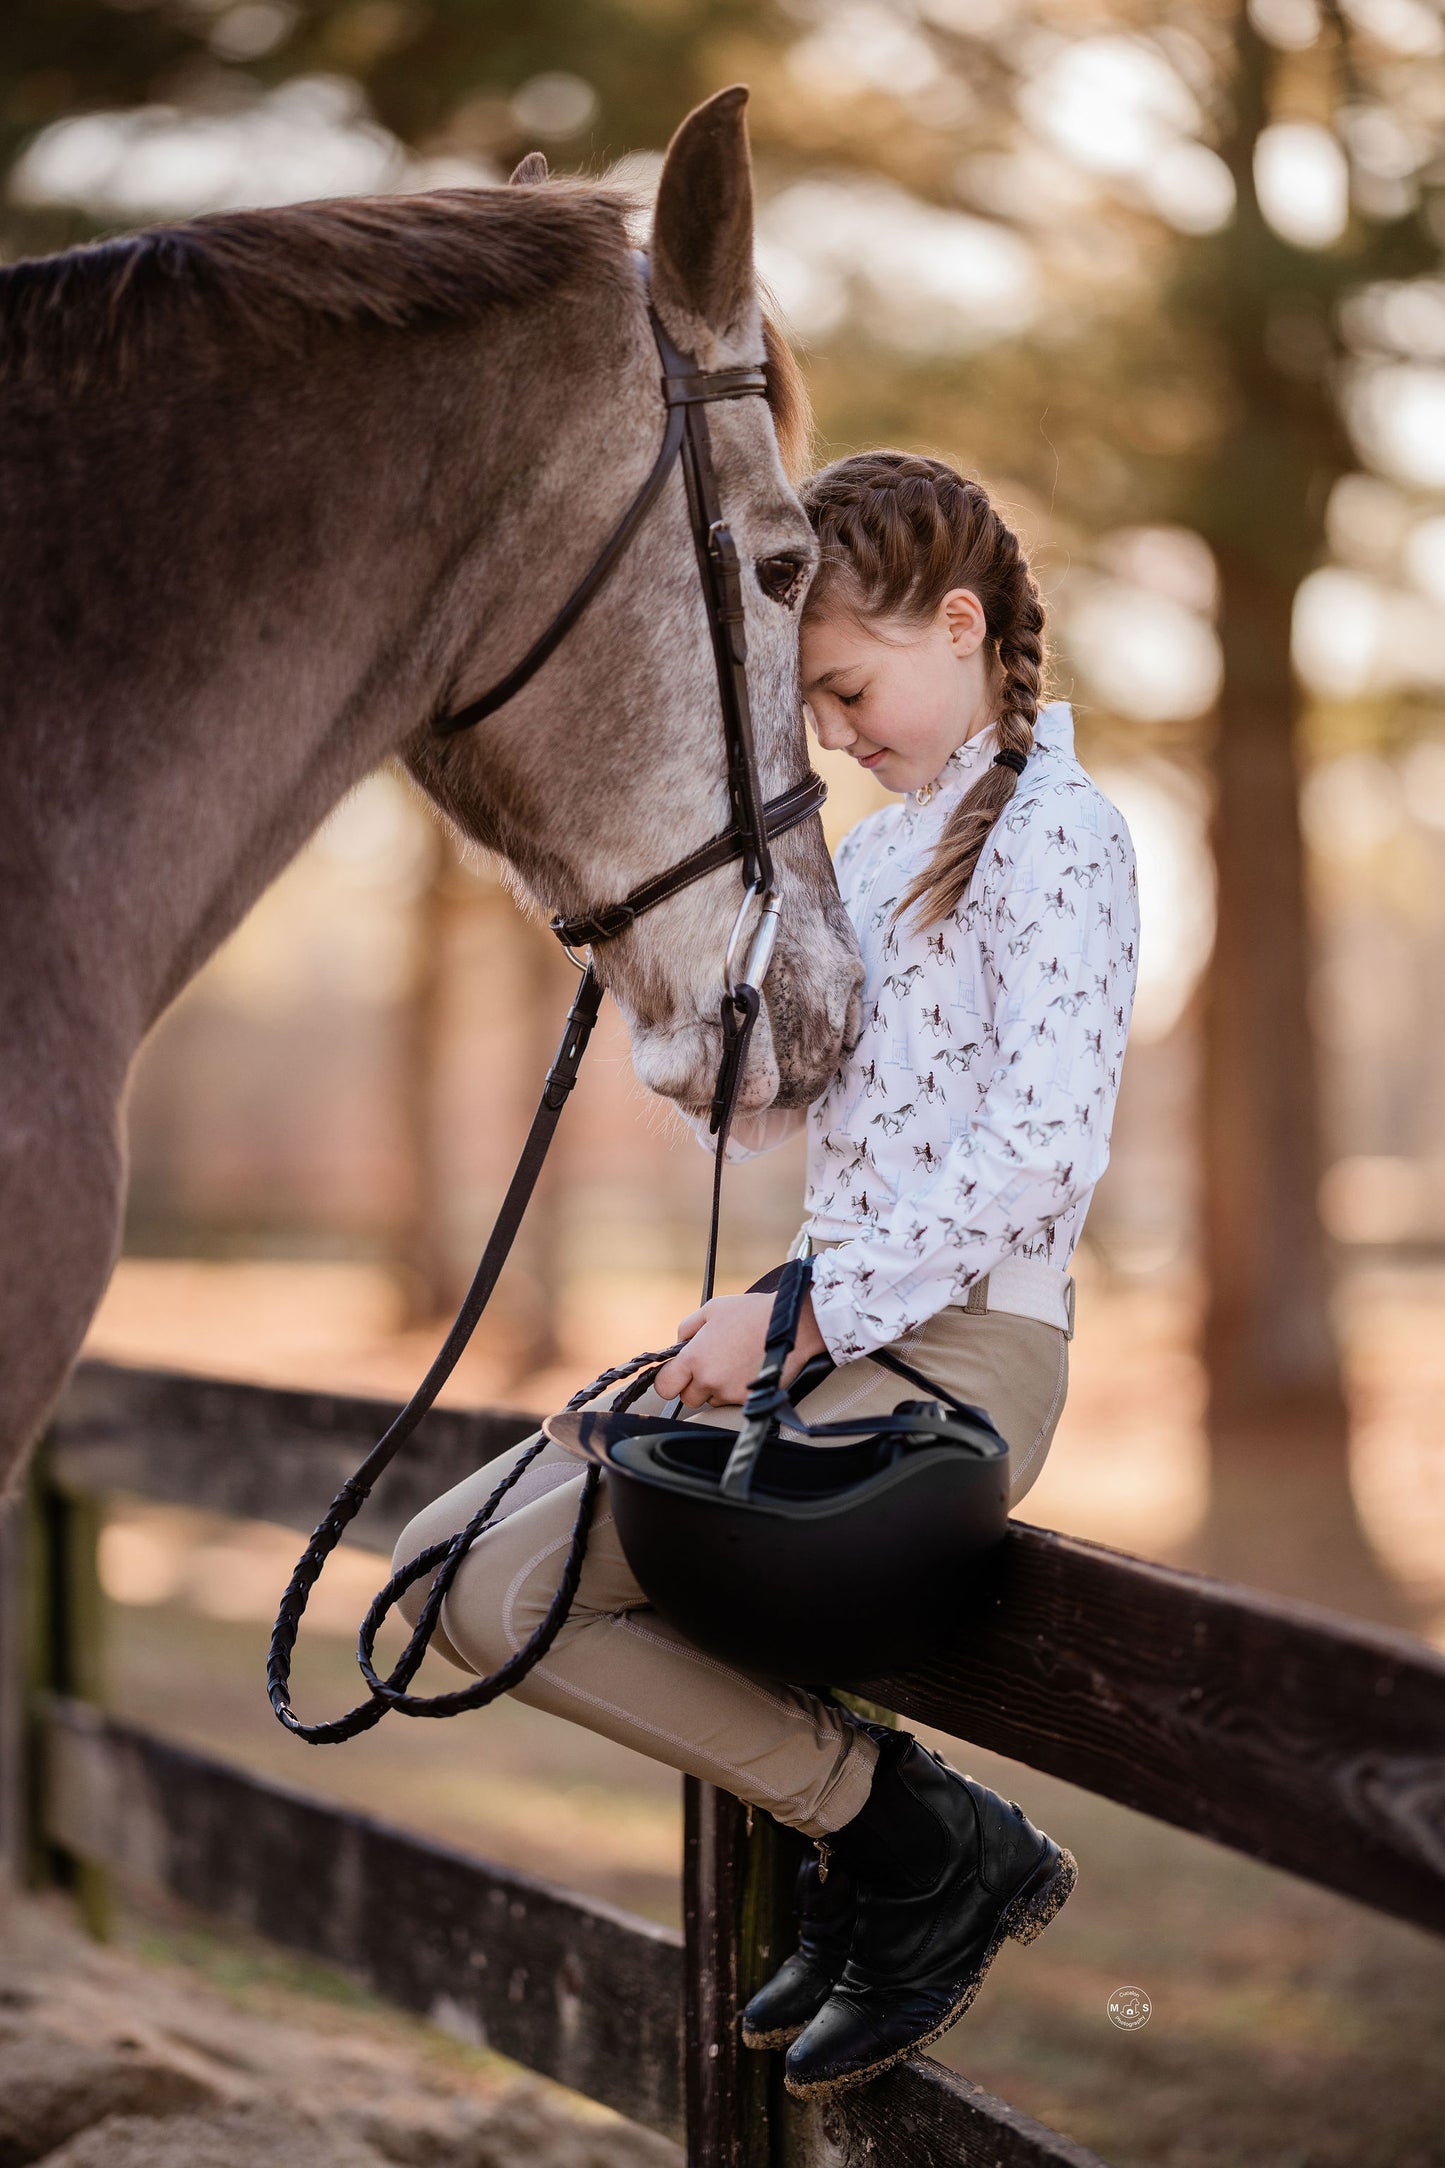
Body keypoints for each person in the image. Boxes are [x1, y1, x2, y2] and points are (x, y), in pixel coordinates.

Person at [392, 449, 1140, 2099]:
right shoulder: (865, 860)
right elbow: (796, 1115)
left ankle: (908, 1846)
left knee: (512, 1598)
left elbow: (1038, 1157)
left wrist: (796, 1313)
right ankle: (887, 1832)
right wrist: (694, 1002)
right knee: (448, 1572)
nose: (829, 733)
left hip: (954, 1363)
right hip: (826, 1334)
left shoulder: (1064, 839)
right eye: (809, 704)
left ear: (957, 626)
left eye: (846, 688)